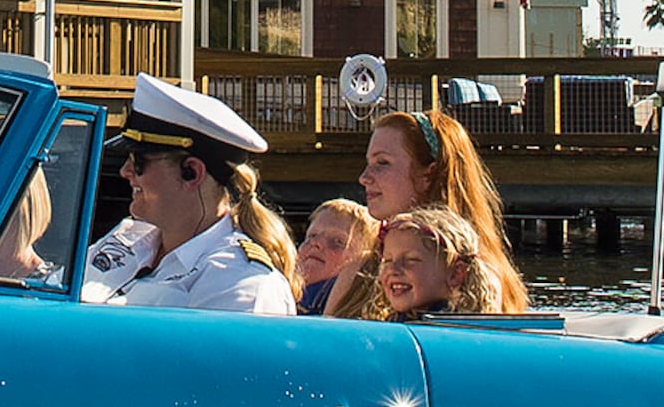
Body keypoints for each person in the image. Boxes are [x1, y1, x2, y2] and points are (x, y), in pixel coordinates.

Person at [81, 75, 301, 312]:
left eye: (139, 161)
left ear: (192, 172)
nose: (125, 171)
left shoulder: (240, 281)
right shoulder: (128, 238)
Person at [332, 106, 529, 318]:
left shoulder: (476, 275)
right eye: (368, 163)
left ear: (428, 174)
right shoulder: (361, 269)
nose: (365, 177)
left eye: (382, 163)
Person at [373, 205, 503, 322]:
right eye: (387, 261)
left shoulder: (454, 332)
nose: (393, 269)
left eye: (411, 260)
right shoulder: (393, 324)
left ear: (455, 274)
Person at [294, 201, 377, 316]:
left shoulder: (338, 298)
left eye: (338, 242)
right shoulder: (283, 287)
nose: (316, 242)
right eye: (312, 236)